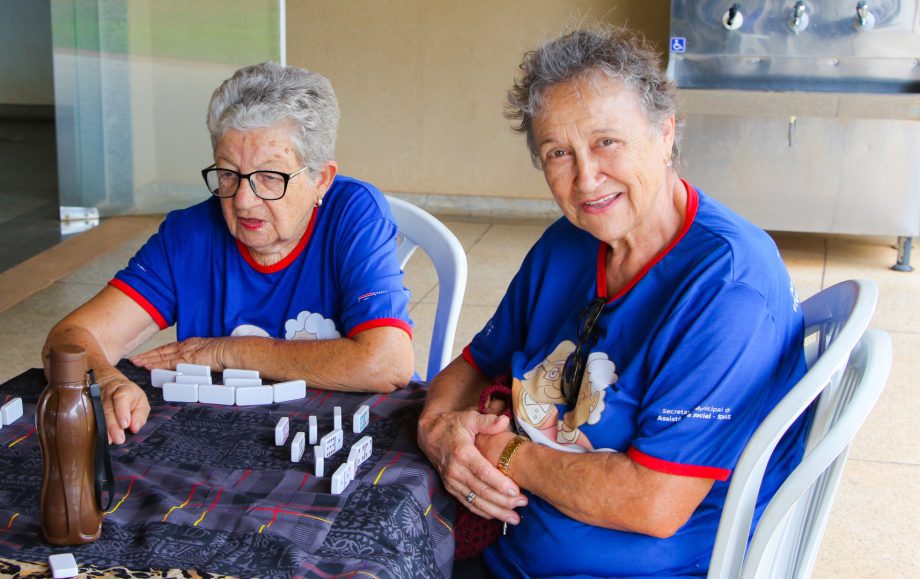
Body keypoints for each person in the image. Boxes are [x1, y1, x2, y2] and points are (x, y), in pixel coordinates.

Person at [418, 26, 808, 577]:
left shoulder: (727, 285)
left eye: (607, 141)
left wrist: (503, 453)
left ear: (665, 133)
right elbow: (476, 365)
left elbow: (652, 502)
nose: (586, 177)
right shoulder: (568, 243)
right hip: (510, 549)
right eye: (558, 152)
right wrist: (438, 430)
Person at [44, 62, 415, 445]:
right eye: (227, 173)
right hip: (220, 439)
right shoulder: (189, 234)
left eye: (270, 176)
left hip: (334, 441)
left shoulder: (353, 212)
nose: (243, 201)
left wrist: (228, 351)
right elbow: (70, 339)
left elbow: (387, 362)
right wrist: (105, 382)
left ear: (320, 179)